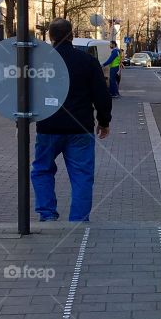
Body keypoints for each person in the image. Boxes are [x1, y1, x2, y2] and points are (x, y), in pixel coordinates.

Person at [31, 18, 111, 223]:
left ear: (50, 37)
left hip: (47, 127)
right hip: (80, 128)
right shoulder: (87, 61)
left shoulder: (39, 62)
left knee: (42, 170)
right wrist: (103, 121)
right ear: (72, 35)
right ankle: (78, 219)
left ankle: (47, 215)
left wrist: (23, 120)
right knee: (82, 176)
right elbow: (102, 95)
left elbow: (26, 94)